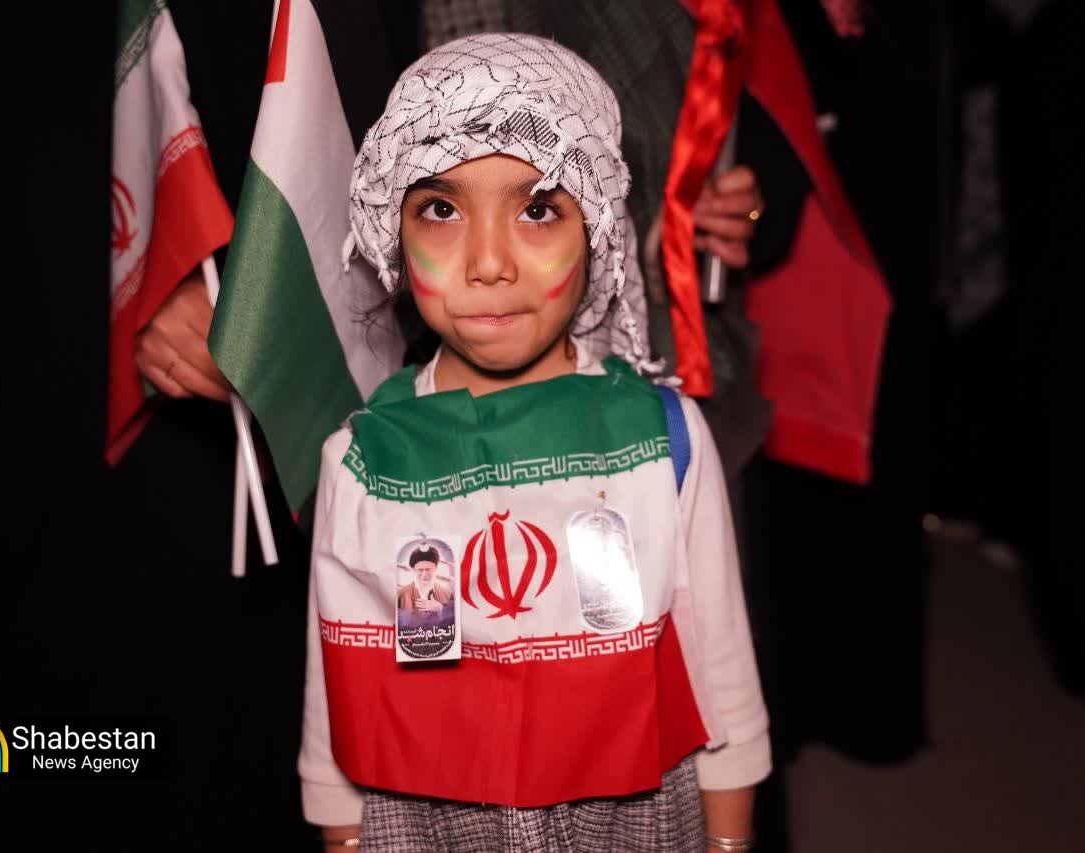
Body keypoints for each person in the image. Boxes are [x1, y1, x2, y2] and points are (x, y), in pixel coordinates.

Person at [299, 34, 769, 851]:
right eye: (441, 209)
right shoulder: (367, 461)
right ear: (390, 229)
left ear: (597, 228)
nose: (489, 263)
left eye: (539, 208)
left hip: (633, 811)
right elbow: (336, 685)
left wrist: (728, 840)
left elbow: (720, 665)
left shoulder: (658, 439)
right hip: (426, 816)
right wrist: (342, 833)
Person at [396, 546, 455, 622]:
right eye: (420, 570)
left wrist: (440, 608)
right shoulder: (401, 594)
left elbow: (452, 622)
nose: (424, 575)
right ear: (413, 570)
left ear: (436, 568)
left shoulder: (447, 595)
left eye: (428, 570)